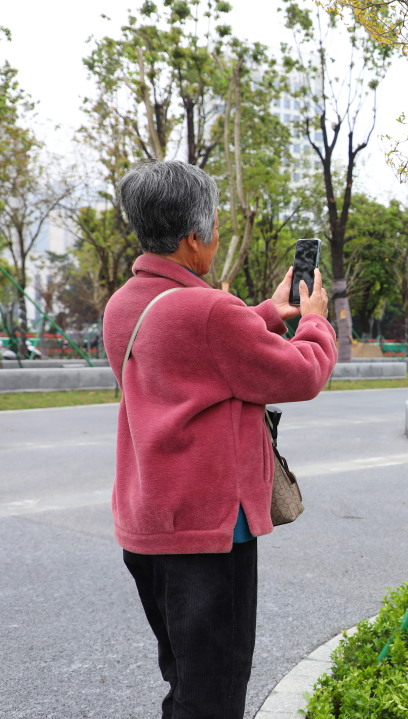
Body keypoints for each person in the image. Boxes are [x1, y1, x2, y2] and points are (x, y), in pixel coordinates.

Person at [103, 159, 337, 719]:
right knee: (215, 697)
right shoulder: (208, 312)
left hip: (149, 526)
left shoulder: (123, 306)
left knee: (184, 678)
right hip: (209, 536)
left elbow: (191, 353)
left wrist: (266, 313)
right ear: (192, 238)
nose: (215, 237)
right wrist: (314, 321)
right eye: (212, 228)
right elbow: (302, 374)